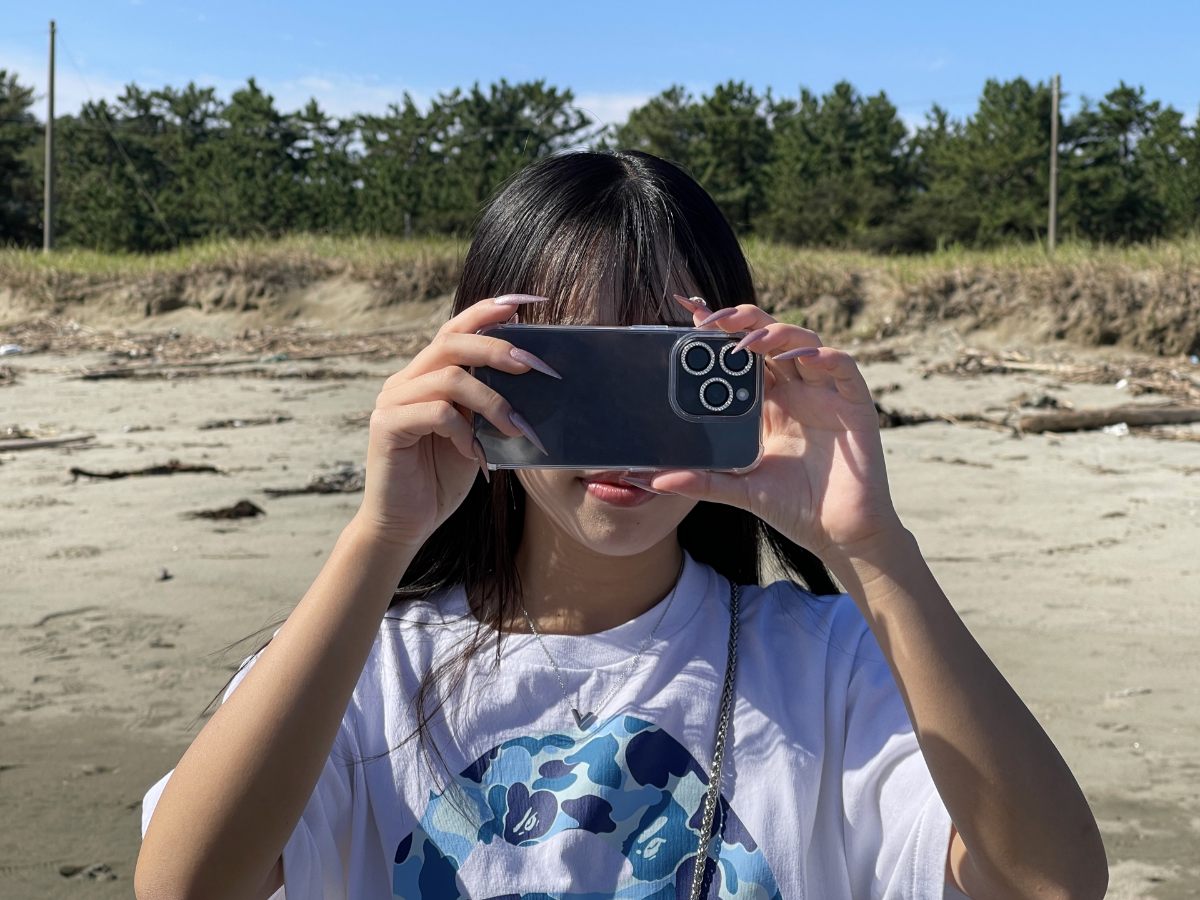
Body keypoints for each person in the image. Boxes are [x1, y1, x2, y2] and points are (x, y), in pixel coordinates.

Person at [134, 150, 1107, 900]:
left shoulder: (830, 664)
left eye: (664, 370)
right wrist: (379, 538)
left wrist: (873, 548)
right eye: (578, 373)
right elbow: (183, 886)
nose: (625, 440)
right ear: (476, 370)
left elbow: (1050, 884)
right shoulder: (364, 670)